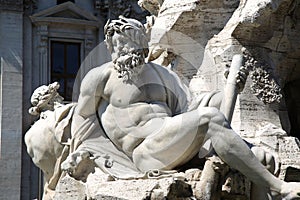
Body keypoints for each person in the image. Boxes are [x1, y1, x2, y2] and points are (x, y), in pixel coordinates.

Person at [63, 16, 300, 199]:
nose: (121, 52)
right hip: (144, 153)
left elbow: (189, 110)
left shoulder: (163, 74)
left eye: (127, 45)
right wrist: (94, 157)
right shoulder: (100, 77)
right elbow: (83, 123)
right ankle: (279, 188)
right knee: (209, 118)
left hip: (174, 142)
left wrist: (229, 90)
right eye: (116, 47)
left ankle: (269, 186)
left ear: (142, 44)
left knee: (261, 157)